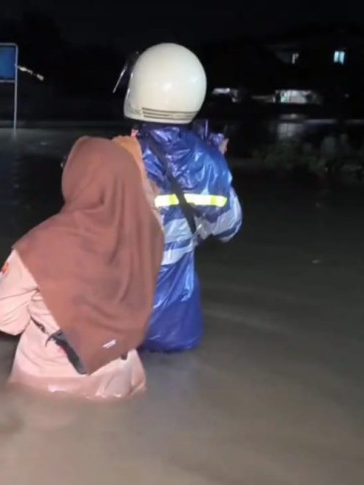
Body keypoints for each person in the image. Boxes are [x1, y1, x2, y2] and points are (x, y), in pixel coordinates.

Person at [0, 137, 165, 401]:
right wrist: (135, 168)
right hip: (123, 374)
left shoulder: (40, 244)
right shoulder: (150, 231)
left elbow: (4, 319)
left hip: (51, 378)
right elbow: (147, 206)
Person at [119, 43, 244, 353]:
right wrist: (216, 163)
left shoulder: (116, 158)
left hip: (119, 320)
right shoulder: (209, 163)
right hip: (177, 324)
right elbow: (229, 228)